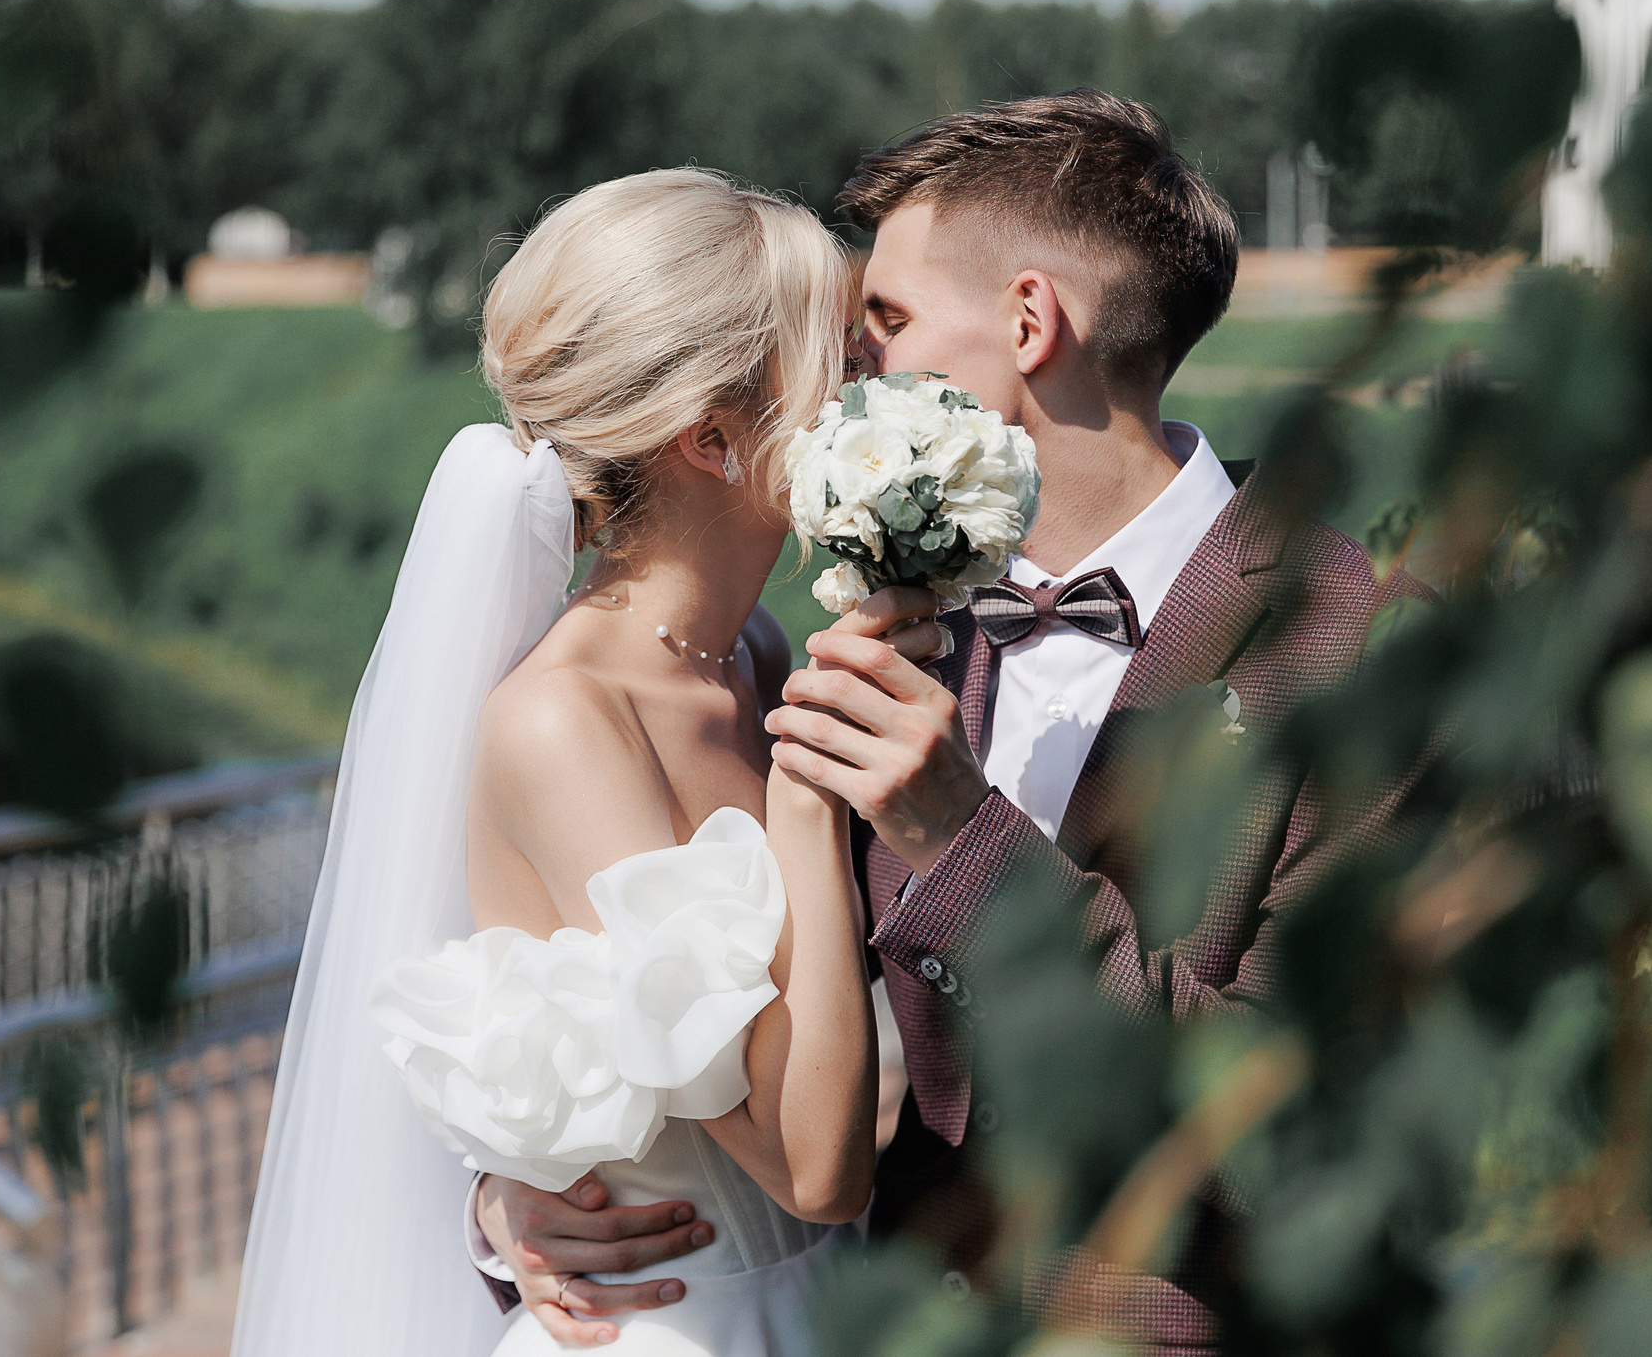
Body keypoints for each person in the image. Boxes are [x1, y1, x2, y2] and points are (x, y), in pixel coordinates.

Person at [477, 91, 1428, 1354]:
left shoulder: (1360, 646)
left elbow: (1310, 1140)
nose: (853, 377)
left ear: (1030, 323)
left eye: (884, 324)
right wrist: (524, 1198)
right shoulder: (891, 610)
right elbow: (639, 986)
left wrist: (970, 847)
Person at [232, 168, 924, 1356]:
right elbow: (814, 1170)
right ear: (714, 438)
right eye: (839, 361)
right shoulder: (565, 723)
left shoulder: (753, 653)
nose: (875, 390)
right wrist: (807, 807)